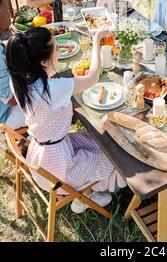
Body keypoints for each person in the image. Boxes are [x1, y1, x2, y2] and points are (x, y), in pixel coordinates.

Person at [6, 27, 126, 211]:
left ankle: (83, 191)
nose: (59, 52)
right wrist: (96, 40)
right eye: (57, 48)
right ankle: (84, 195)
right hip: (60, 169)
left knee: (99, 140)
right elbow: (92, 78)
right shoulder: (52, 90)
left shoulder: (18, 81)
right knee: (114, 158)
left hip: (41, 156)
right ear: (44, 61)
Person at [0, 0, 26, 150]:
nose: (10, 15)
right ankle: (42, 147)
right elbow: (11, 99)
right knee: (53, 100)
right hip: (5, 116)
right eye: (6, 14)